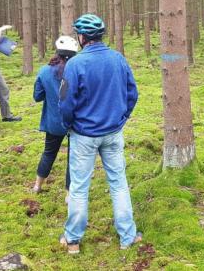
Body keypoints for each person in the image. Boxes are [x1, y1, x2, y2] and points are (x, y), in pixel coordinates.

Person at [58, 14, 141, 254]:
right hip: (113, 132)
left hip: (84, 134)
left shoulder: (75, 64)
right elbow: (132, 93)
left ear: (81, 37)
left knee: (79, 186)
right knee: (118, 183)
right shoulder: (118, 59)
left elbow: (66, 103)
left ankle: (73, 239)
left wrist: (69, 125)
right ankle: (128, 236)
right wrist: (122, 118)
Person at [31, 35, 79, 195]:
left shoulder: (44, 71)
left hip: (53, 122)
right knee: (73, 158)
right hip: (75, 122)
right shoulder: (78, 71)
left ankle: (37, 186)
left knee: (49, 153)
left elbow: (37, 97)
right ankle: (68, 194)